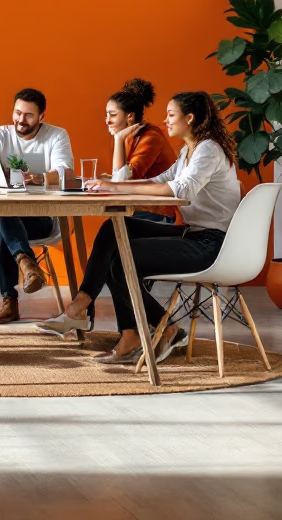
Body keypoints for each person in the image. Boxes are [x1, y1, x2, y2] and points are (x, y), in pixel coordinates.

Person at [37, 92, 241, 365]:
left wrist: (116, 186)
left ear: (189, 118)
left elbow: (179, 189)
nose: (165, 120)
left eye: (171, 114)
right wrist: (107, 183)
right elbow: (160, 179)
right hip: (194, 233)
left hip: (212, 244)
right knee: (114, 230)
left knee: (122, 255)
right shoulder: (187, 152)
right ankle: (87, 310)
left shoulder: (208, 149)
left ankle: (165, 329)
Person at [0, 88, 73, 324]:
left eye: (28, 115)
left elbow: (66, 172)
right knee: (4, 214)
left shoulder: (56, 136)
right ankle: (27, 264)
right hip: (6, 216)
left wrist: (41, 177)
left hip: (41, 219)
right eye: (17, 113)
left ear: (41, 117)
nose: (20, 120)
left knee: (0, 216)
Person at [105, 78, 178, 222]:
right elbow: (119, 179)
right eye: (106, 114)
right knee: (110, 229)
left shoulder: (151, 137)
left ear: (130, 116)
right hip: (137, 209)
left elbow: (122, 182)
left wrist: (118, 139)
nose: (107, 120)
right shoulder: (128, 137)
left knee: (112, 229)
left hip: (156, 213)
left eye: (112, 115)